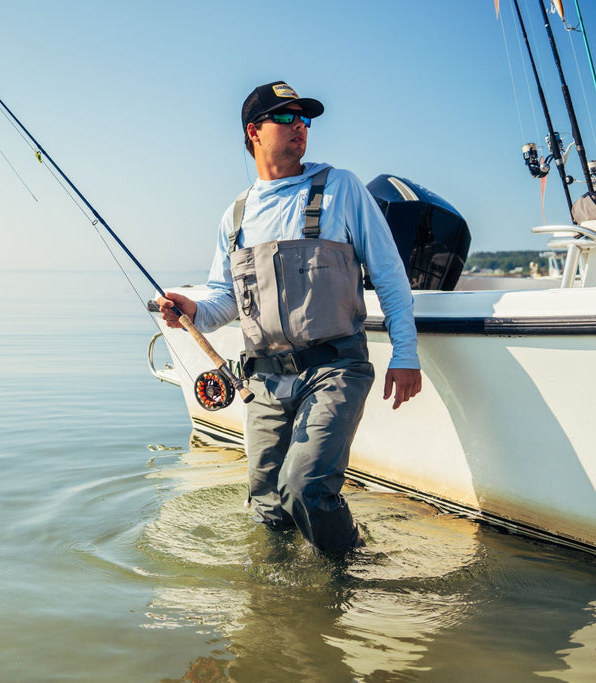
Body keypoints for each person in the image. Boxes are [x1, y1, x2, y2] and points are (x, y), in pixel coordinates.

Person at [157, 80, 422, 554]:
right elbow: (226, 300)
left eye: (303, 118)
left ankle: (348, 575)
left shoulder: (341, 187)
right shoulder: (235, 216)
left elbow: (390, 276)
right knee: (267, 506)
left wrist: (406, 353)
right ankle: (276, 605)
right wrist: (192, 310)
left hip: (335, 368)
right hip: (264, 381)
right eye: (284, 117)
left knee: (305, 488)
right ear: (253, 131)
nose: (299, 125)